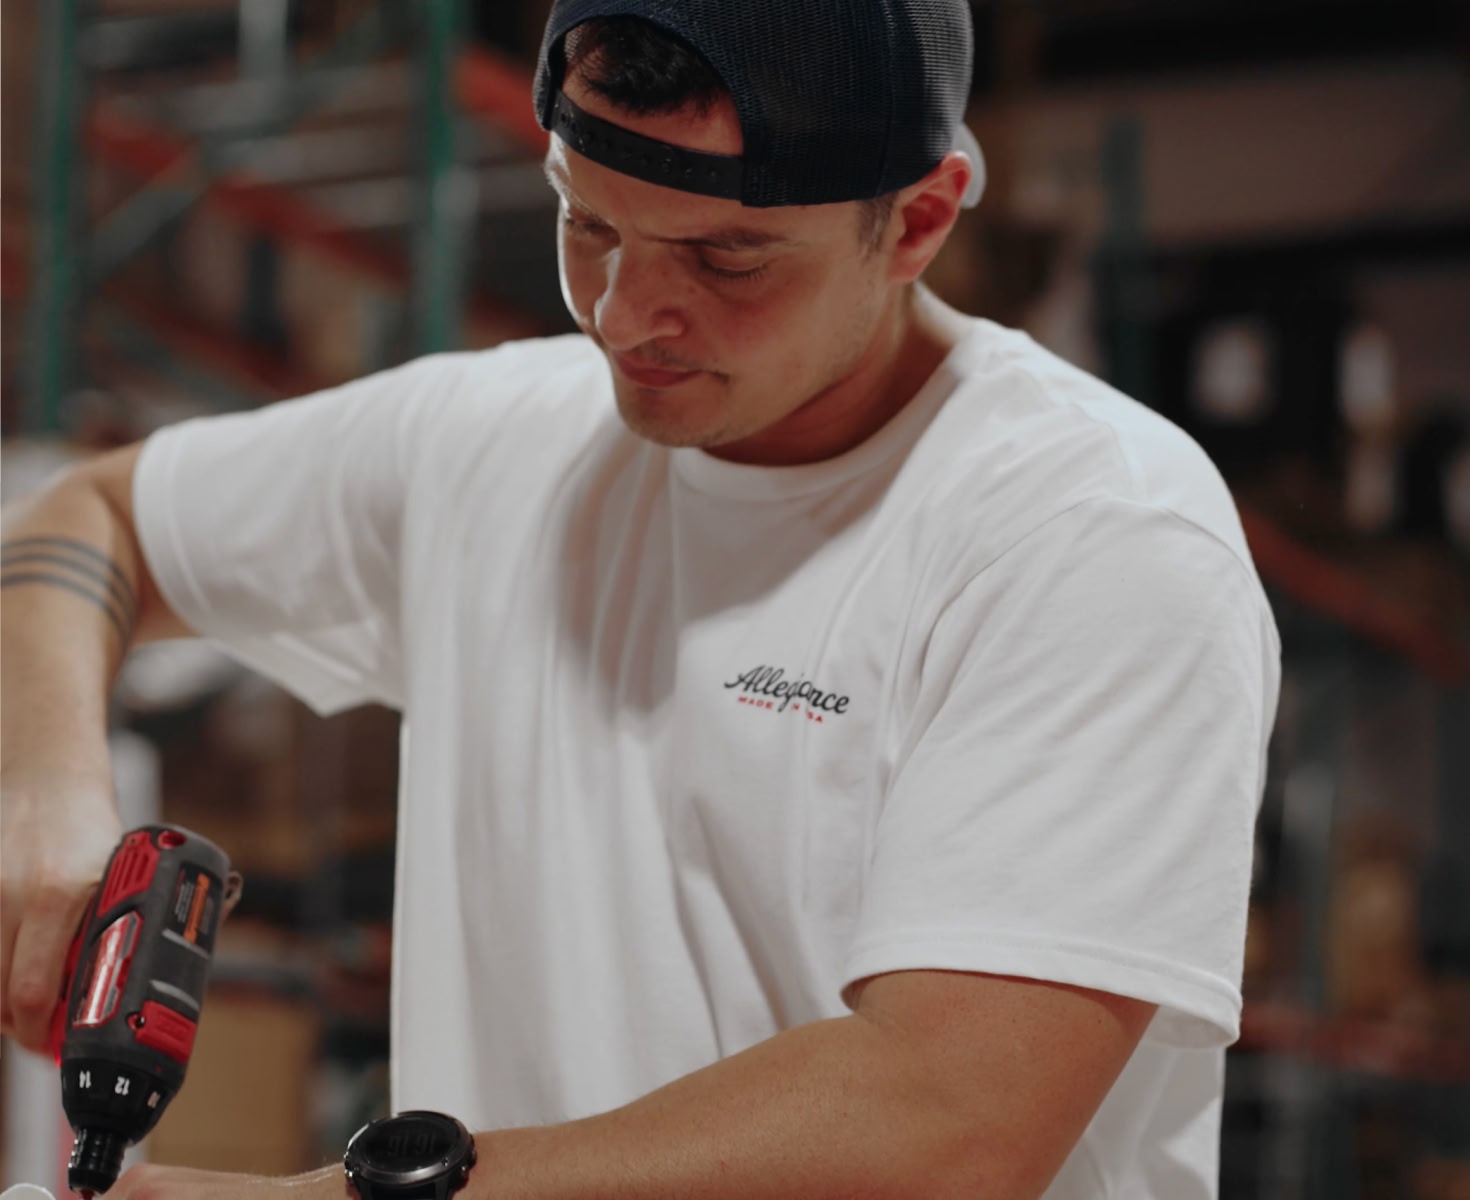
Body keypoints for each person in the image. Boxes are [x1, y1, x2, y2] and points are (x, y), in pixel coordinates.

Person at [0, 1, 1281, 1197]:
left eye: (725, 256)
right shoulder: (485, 446)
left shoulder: (1093, 532)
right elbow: (88, 518)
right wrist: (48, 793)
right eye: (589, 222)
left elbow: (946, 1117)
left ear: (919, 220)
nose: (625, 317)